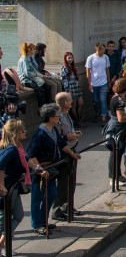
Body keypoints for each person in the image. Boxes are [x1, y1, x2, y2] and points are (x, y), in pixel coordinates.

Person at [27, 103, 81, 235]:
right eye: (57, 116)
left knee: (51, 194)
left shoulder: (53, 130)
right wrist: (40, 169)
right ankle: (37, 224)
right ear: (51, 118)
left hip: (51, 169)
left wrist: (72, 154)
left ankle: (43, 220)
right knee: (37, 198)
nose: (59, 119)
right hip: (42, 171)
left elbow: (61, 144)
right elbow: (30, 156)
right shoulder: (40, 133)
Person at [0, 119, 36, 249]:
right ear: (15, 133)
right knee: (3, 220)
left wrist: (37, 169)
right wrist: (2, 185)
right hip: (8, 188)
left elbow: (26, 160)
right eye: (22, 130)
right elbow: (1, 165)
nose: (25, 132)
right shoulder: (11, 149)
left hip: (13, 187)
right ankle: (2, 245)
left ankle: (3, 243)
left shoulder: (18, 148)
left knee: (19, 215)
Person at [51, 92, 82, 222]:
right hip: (65, 152)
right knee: (63, 182)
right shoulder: (56, 116)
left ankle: (68, 206)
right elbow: (56, 136)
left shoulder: (65, 112)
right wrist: (68, 137)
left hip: (72, 148)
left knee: (71, 181)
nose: (72, 101)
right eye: (70, 100)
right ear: (65, 103)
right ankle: (57, 210)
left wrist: (74, 134)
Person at [86, 42, 111, 122]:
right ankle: (97, 112)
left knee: (103, 99)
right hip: (94, 83)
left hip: (103, 82)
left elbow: (107, 69)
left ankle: (103, 116)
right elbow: (88, 71)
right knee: (95, 100)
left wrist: (108, 80)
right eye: (103, 49)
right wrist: (89, 83)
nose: (104, 51)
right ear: (98, 49)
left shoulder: (106, 57)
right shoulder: (91, 58)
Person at [60, 52, 84, 126]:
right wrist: (68, 90)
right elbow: (63, 79)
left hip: (76, 86)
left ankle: (79, 118)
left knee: (81, 103)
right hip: (70, 87)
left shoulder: (73, 67)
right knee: (74, 104)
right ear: (65, 59)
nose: (70, 59)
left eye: (71, 58)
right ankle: (76, 120)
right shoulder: (64, 67)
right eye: (68, 58)